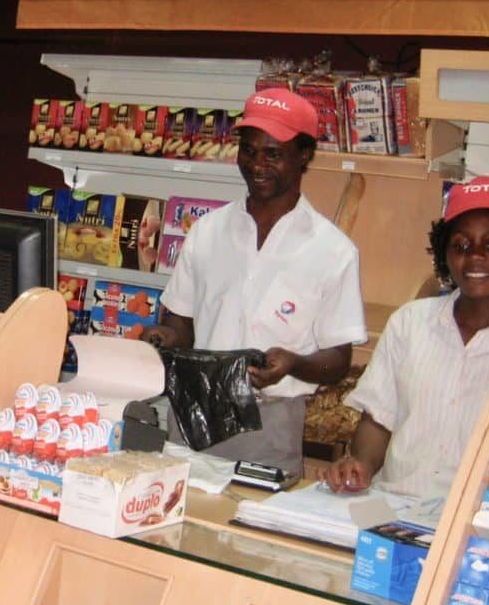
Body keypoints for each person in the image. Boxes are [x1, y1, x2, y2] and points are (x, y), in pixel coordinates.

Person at [143, 88, 367, 477]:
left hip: (271, 421)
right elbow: (182, 324)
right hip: (195, 410)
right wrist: (163, 337)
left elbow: (338, 361)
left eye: (273, 154)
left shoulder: (333, 250)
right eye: (249, 151)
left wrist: (293, 363)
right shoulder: (207, 231)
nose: (257, 164)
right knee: (180, 523)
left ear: (304, 155)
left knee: (252, 530)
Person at [322, 176, 489, 497]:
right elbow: (378, 420)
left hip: (480, 523)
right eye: (461, 245)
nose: (475, 257)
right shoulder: (409, 322)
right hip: (393, 503)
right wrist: (358, 463)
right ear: (445, 253)